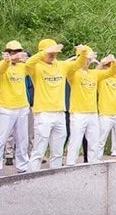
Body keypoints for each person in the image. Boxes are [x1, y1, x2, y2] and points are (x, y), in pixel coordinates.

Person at [24, 39, 89, 170]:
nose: (54, 55)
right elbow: (28, 64)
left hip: (59, 112)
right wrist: (44, 53)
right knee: (39, 149)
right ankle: (32, 176)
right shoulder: (36, 67)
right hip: (43, 113)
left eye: (55, 52)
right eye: (51, 53)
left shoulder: (62, 66)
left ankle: (55, 176)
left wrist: (83, 52)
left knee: (58, 151)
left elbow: (78, 64)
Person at [0, 41, 32, 176]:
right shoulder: (3, 65)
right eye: (13, 52)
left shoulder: (23, 67)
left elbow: (33, 64)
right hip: (6, 107)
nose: (16, 54)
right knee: (0, 139)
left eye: (18, 51)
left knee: (22, 139)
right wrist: (9, 59)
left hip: (22, 106)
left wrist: (25, 59)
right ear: (8, 53)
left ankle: (22, 164)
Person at [67, 52, 116, 164]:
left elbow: (111, 72)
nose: (87, 61)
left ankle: (93, 163)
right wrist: (77, 58)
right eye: (85, 59)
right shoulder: (74, 74)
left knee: (94, 141)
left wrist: (112, 62)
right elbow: (68, 68)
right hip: (78, 113)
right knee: (75, 141)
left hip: (92, 112)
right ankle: (70, 164)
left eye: (89, 59)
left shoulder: (94, 73)